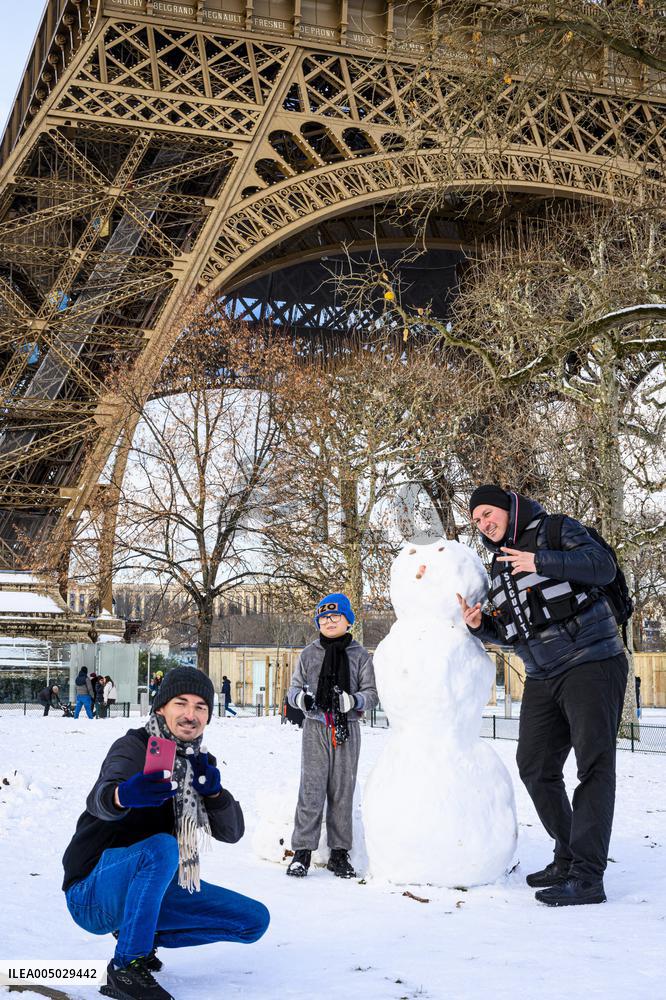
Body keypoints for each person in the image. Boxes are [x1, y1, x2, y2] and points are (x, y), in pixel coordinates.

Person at [459, 486, 628, 907]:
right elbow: (516, 631)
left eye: (487, 513)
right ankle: (568, 854)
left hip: (591, 660)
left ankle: (587, 877)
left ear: (507, 507)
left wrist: (540, 560)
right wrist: (481, 627)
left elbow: (602, 567)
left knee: (594, 766)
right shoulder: (498, 565)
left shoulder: (555, 529)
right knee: (535, 765)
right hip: (541, 673)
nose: (483, 524)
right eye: (476, 520)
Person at [62, 666, 269, 1000]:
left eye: (200, 707)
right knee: (162, 848)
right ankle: (127, 967)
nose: (190, 715)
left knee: (253, 921)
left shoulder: (199, 762)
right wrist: (123, 795)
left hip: (150, 889)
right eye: (181, 703)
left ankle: (137, 934)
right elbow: (100, 797)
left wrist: (215, 794)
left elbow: (232, 833)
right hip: (91, 893)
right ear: (161, 708)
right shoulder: (133, 747)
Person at [286, 593, 378, 879]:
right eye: (323, 617)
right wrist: (300, 699)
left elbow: (372, 694)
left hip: (346, 729)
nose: (329, 621)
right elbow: (293, 690)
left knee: (342, 790)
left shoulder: (360, 655)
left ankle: (339, 853)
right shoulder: (308, 654)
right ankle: (302, 852)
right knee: (311, 789)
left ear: (348, 620)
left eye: (335, 616)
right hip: (315, 728)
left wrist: (354, 701)